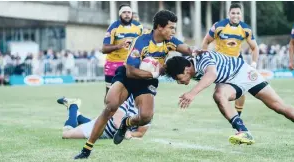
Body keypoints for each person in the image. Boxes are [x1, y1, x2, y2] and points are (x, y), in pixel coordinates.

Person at [74, 10, 195, 159]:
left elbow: (188, 50)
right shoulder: (141, 42)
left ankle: (126, 122)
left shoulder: (170, 41)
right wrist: (154, 73)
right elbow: (131, 72)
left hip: (146, 82)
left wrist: (198, 53)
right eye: (171, 27)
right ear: (159, 27)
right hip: (128, 76)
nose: (173, 31)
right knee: (110, 106)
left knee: (146, 117)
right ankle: (87, 149)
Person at [164, 51, 294, 150]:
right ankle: (244, 132)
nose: (180, 82)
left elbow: (211, 75)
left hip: (244, 74)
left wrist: (192, 93)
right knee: (219, 95)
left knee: (278, 106)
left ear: (186, 69)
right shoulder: (185, 62)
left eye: (179, 78)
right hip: (229, 82)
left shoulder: (203, 60)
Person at [201, 3, 259, 116]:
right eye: (233, 13)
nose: (235, 15)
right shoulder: (219, 26)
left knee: (242, 88)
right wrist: (204, 58)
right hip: (220, 61)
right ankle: (229, 114)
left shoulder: (246, 29)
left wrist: (254, 64)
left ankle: (238, 115)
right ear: (229, 14)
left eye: (238, 13)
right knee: (219, 93)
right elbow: (206, 41)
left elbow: (254, 47)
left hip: (237, 61)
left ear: (241, 14)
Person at [58, 97, 149, 140]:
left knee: (84, 122)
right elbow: (117, 122)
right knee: (66, 134)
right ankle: (73, 105)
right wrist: (124, 132)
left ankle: (78, 116)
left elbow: (140, 132)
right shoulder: (128, 99)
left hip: (109, 131)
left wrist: (132, 134)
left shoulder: (148, 110)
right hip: (101, 127)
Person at [102, 4, 143, 95]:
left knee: (132, 92)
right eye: (124, 12)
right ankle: (109, 109)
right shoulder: (113, 27)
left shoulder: (138, 26)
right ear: (120, 14)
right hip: (113, 63)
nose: (127, 14)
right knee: (110, 93)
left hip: (130, 64)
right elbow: (104, 49)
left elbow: (142, 43)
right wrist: (118, 46)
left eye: (129, 12)